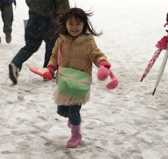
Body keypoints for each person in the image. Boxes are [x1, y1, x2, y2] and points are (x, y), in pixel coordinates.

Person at [44, 8, 116, 148]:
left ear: (84, 24)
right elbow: (54, 57)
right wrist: (50, 68)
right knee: (62, 111)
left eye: (78, 24)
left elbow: (97, 55)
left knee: (73, 112)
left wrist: (102, 64)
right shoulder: (61, 41)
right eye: (71, 24)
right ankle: (72, 119)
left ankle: (76, 134)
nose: (74, 27)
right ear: (65, 24)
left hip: (79, 83)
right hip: (64, 81)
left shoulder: (88, 42)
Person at [8, 0, 70, 84]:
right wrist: (66, 19)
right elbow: (62, 4)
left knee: (31, 45)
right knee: (52, 45)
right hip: (49, 18)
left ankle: (15, 64)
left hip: (33, 15)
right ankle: (48, 71)